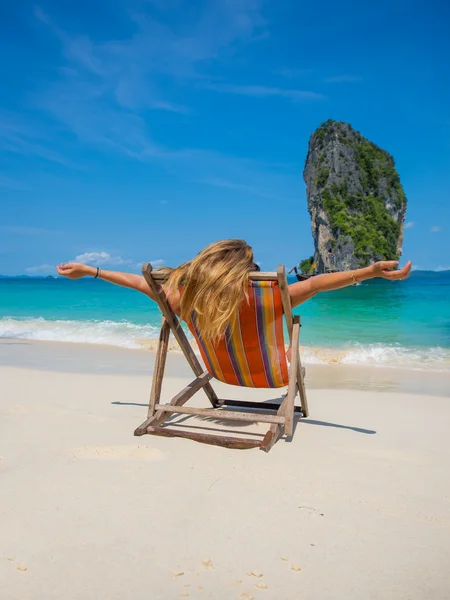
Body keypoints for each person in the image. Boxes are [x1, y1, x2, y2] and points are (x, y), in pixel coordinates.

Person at [56, 239, 412, 342]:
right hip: (267, 377)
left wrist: (91, 271)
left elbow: (136, 281)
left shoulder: (179, 298)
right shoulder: (272, 297)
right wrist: (371, 272)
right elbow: (318, 283)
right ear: (246, 272)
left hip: (218, 371)